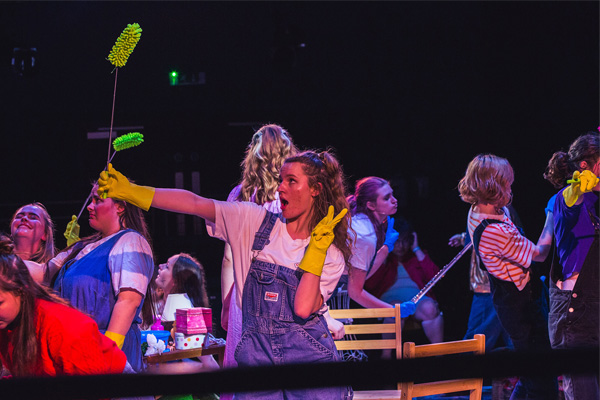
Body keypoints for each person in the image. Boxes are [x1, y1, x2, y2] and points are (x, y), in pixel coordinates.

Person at [98, 149, 353, 399]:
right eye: (281, 180)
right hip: (258, 359)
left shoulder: (330, 253)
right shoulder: (253, 221)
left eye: (291, 181)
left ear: (316, 189)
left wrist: (316, 252)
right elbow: (195, 203)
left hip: (310, 360)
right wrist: (133, 192)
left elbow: (302, 308)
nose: (280, 188)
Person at [459, 153, 557, 400]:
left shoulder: (477, 210)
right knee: (541, 377)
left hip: (516, 296)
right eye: (507, 183)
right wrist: (552, 214)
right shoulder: (495, 230)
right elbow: (540, 253)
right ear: (494, 186)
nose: (510, 188)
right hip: (519, 303)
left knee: (531, 372)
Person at [30, 184, 155, 373]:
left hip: (105, 356)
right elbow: (43, 273)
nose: (89, 206)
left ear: (120, 206)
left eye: (98, 200)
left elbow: (128, 301)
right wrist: (8, 260)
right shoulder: (84, 247)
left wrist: (105, 356)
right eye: (91, 200)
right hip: (74, 354)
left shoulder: (130, 241)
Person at [0, 234, 127, 377]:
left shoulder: (61, 326)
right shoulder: (7, 323)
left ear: (21, 291)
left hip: (115, 388)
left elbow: (93, 391)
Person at [544, 132, 599, 400]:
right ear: (588, 166)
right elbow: (571, 200)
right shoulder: (569, 196)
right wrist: (577, 188)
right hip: (575, 311)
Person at [365, 217, 443, 345]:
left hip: (417, 299)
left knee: (430, 308)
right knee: (396, 308)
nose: (401, 246)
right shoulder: (383, 258)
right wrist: (383, 254)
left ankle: (439, 353)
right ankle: (387, 355)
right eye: (397, 241)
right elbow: (370, 284)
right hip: (390, 298)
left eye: (405, 241)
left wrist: (416, 248)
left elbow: (435, 277)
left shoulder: (416, 256)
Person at [156, 252, 219, 369]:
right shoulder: (157, 305)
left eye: (167, 266)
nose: (160, 265)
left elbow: (209, 361)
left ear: (175, 280)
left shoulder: (186, 317)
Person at [346, 177, 401, 309]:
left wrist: (386, 248)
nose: (394, 200)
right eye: (387, 198)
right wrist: (393, 311)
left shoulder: (366, 226)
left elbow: (360, 275)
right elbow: (355, 291)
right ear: (371, 205)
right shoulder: (364, 235)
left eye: (392, 194)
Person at [9, 202, 56, 284]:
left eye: (33, 217)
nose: (24, 218)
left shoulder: (53, 276)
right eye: (19, 217)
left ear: (45, 234)